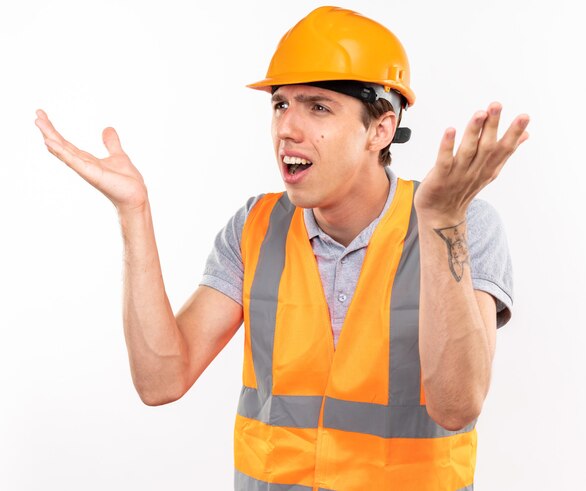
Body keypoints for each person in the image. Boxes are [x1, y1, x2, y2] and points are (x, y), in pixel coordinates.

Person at [34, 6, 529, 491]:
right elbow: (161, 379)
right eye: (280, 104)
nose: (287, 128)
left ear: (380, 129)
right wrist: (133, 213)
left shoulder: (461, 223)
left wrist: (443, 219)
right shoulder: (256, 227)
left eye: (318, 107)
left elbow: (457, 405)